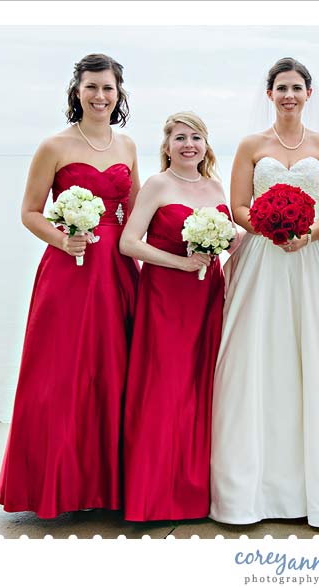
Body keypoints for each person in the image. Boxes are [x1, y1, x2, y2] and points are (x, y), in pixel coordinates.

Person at [209, 57, 319, 528]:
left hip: (312, 258)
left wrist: (308, 232)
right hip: (262, 258)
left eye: (297, 87)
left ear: (309, 93)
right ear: (269, 94)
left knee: (316, 359)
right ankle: (249, 492)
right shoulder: (250, 145)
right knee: (257, 359)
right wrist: (267, 224)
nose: (289, 95)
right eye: (281, 87)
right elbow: (237, 205)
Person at [0, 53, 140, 518]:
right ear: (76, 91)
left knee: (113, 372)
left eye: (108, 88)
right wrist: (64, 237)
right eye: (92, 87)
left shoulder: (128, 147)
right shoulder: (53, 146)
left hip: (117, 271)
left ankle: (107, 488)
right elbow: (30, 211)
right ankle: (52, 486)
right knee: (60, 374)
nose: (100, 96)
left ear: (119, 95)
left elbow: (138, 213)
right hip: (69, 271)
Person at [119, 112, 232, 521]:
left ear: (206, 145)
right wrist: (179, 263)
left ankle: (192, 492)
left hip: (208, 295)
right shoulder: (157, 185)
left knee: (201, 388)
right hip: (166, 297)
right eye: (180, 138)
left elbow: (232, 244)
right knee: (165, 387)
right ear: (167, 148)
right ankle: (152, 495)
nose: (189, 144)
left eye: (196, 137)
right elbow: (128, 243)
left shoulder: (217, 186)